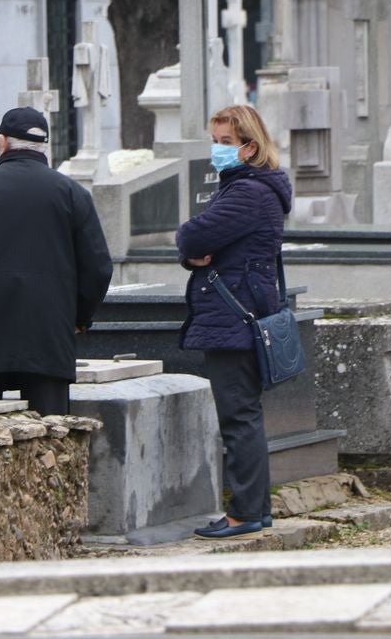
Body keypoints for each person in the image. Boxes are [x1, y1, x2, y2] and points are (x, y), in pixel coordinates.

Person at [0, 106, 113, 416]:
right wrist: (79, 318)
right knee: (49, 444)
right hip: (48, 334)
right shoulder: (72, 194)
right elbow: (97, 267)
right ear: (44, 146)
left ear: (2, 142)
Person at [176, 104, 291, 540]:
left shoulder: (248, 192)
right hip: (242, 311)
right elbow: (199, 246)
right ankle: (255, 510)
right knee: (245, 416)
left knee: (238, 418)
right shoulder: (251, 187)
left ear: (250, 145)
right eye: (216, 140)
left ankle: (244, 513)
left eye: (227, 142)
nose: (218, 149)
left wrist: (189, 246)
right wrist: (193, 252)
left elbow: (194, 235)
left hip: (233, 316)